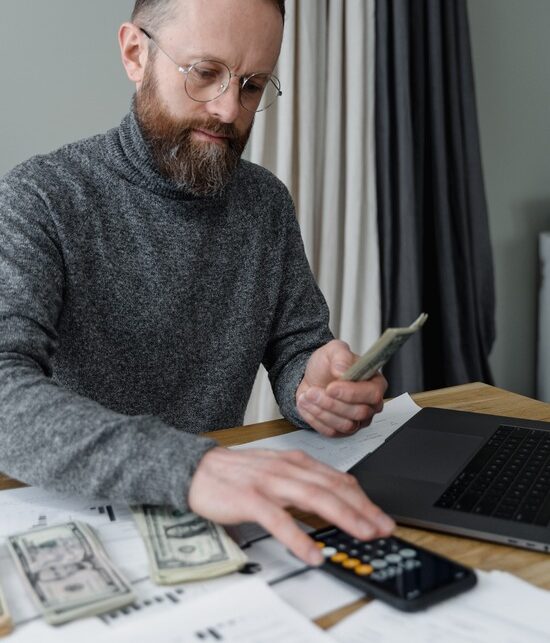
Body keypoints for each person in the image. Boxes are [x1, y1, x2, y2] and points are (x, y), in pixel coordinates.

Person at [0, 0, 394, 566]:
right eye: (205, 74)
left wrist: (316, 385)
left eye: (253, 85)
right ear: (136, 54)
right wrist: (193, 466)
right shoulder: (40, 198)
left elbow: (297, 346)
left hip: (221, 528)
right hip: (70, 527)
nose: (230, 110)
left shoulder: (264, 204)